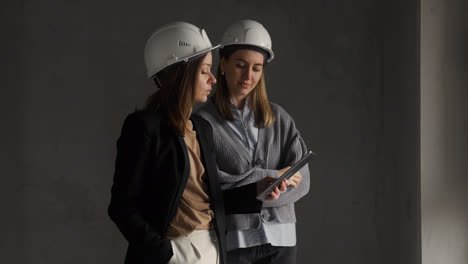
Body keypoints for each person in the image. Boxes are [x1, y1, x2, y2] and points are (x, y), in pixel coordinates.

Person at [108, 22, 288, 264]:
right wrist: (164, 253)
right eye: (204, 71)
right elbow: (122, 206)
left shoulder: (201, 128)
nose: (214, 79)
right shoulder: (144, 127)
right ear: (181, 75)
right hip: (174, 251)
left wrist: (256, 191)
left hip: (212, 249)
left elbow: (210, 198)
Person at [195, 19, 311, 263]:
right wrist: (279, 176)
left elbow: (303, 181)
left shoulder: (279, 117)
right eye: (240, 65)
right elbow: (213, 186)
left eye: (257, 68)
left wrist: (255, 189)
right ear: (223, 63)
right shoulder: (202, 122)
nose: (249, 75)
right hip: (236, 242)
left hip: (282, 241)